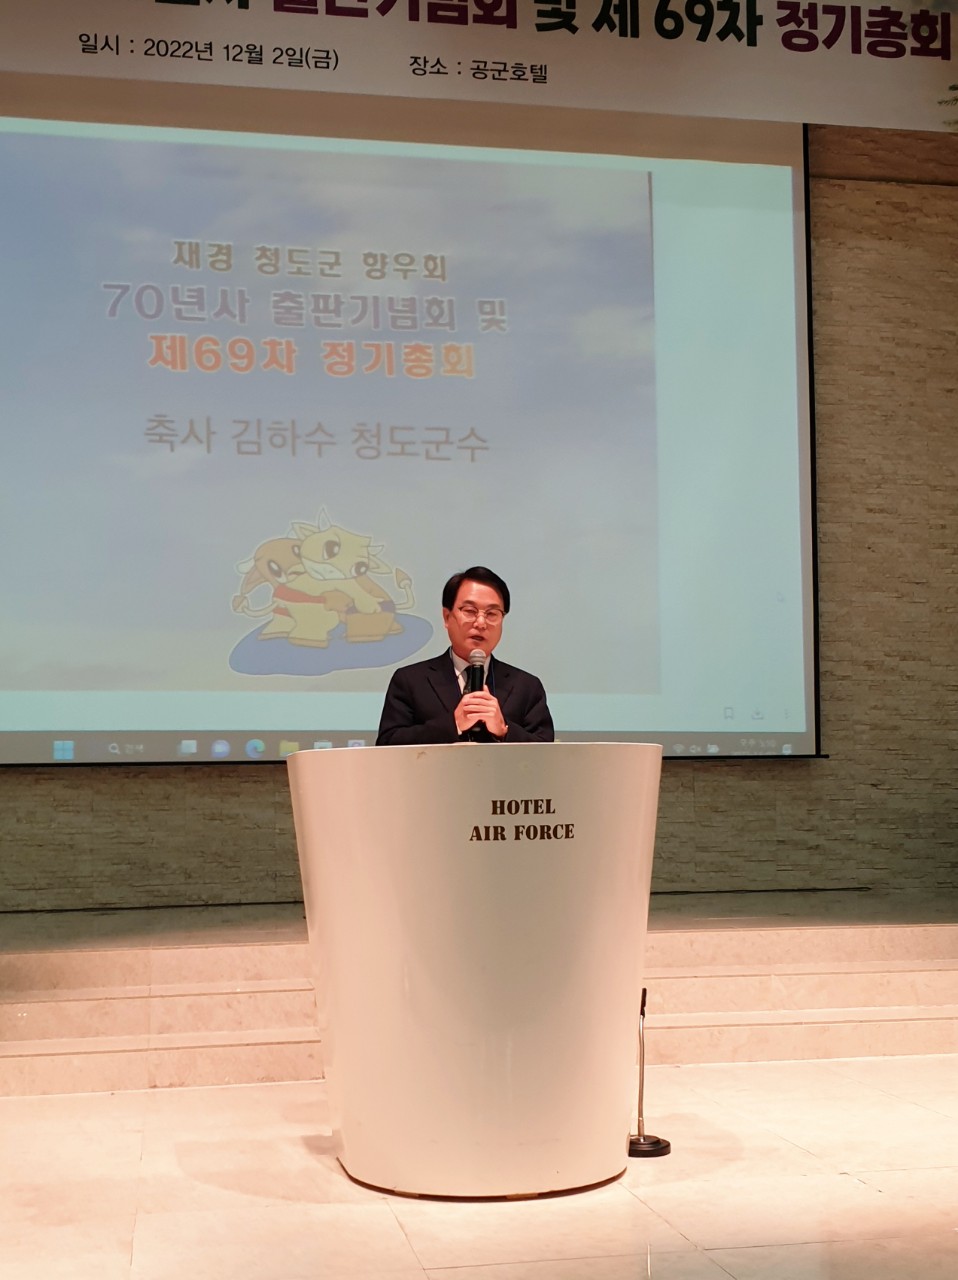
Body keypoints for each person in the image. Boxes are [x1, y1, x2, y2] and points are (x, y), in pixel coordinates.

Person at [376, 566, 554, 746]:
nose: (481, 623)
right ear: (447, 617)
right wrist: (454, 724)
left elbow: (547, 753)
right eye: (470, 611)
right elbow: (387, 744)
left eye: (492, 614)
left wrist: (504, 730)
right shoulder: (410, 681)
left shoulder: (527, 687)